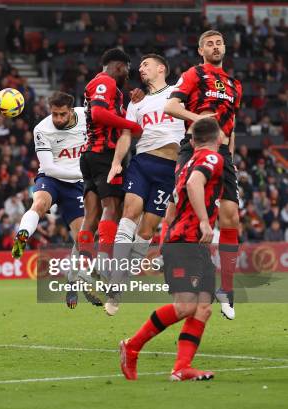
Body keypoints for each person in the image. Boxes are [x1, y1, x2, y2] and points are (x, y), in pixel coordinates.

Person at [120, 117, 224, 382]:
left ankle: (181, 367)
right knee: (185, 306)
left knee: (203, 308)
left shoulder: (184, 164)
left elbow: (171, 208)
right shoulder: (210, 159)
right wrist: (203, 220)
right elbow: (194, 185)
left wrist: (167, 236)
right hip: (186, 242)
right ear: (219, 137)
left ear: (192, 140)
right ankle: (132, 346)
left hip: (186, 242)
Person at [164, 30, 242, 320]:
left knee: (231, 216)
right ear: (201, 50)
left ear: (225, 46)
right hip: (193, 147)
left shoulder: (235, 85)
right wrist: (202, 121)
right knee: (181, 210)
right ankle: (175, 269)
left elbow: (231, 126)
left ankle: (228, 289)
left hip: (223, 154)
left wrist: (230, 155)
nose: (215, 46)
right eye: (209, 43)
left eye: (219, 42)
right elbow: (171, 106)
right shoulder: (194, 74)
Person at [104, 54, 185, 315]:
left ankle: (124, 279)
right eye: (139, 66)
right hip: (142, 163)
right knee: (130, 213)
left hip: (170, 169)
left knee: (148, 230)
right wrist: (117, 161)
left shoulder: (178, 92)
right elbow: (127, 134)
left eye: (146, 64)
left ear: (161, 68)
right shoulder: (137, 103)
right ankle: (116, 282)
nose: (141, 68)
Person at [11, 91, 100, 307]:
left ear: (71, 110)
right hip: (52, 178)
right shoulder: (42, 129)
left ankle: (72, 283)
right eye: (54, 114)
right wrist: (86, 175)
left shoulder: (87, 116)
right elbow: (49, 167)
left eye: (62, 114)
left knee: (82, 238)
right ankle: (22, 236)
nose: (58, 119)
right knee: (39, 203)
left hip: (77, 186)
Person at [78, 48, 143, 313]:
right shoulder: (105, 81)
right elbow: (99, 114)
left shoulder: (103, 86)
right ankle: (104, 264)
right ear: (118, 65)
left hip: (89, 155)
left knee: (91, 215)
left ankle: (83, 266)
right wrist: (133, 127)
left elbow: (107, 113)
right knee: (111, 209)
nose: (129, 73)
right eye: (128, 68)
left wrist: (130, 103)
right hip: (104, 155)